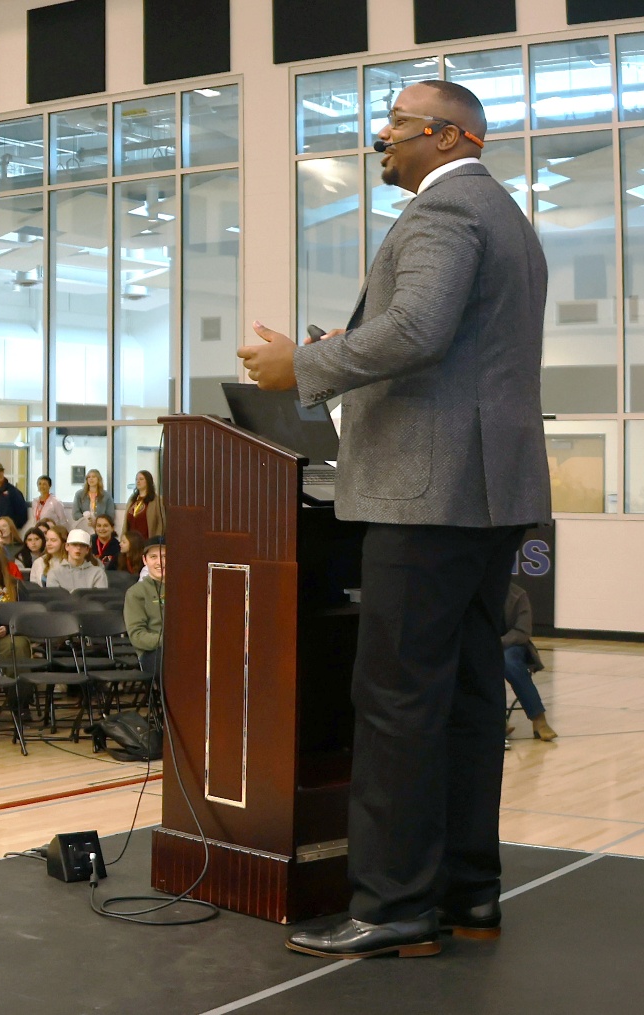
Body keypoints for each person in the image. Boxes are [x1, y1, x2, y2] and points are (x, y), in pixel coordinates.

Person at [239, 80, 549, 960]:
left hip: (427, 493)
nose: (382, 139)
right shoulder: (506, 217)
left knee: (396, 701)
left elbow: (416, 329)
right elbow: (450, 344)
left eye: (396, 127)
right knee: (466, 696)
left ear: (448, 136)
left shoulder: (443, 211)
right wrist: (336, 350)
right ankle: (466, 890)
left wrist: (303, 366)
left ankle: (392, 906)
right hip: (486, 493)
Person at [500, 584, 555, 742]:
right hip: (481, 645)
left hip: (512, 646)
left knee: (508, 663)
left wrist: (496, 643)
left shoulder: (518, 595)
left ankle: (539, 719)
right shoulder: (474, 593)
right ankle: (496, 720)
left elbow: (522, 631)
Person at [124, 540, 164, 680]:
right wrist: (168, 641)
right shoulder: (136, 593)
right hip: (152, 652)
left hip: (185, 649)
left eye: (165, 556)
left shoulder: (184, 588)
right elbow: (137, 635)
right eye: (153, 557)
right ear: (144, 560)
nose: (160, 562)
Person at [124, 470, 165, 556]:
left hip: (147, 540)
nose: (138, 481)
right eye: (136, 479)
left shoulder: (156, 500)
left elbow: (161, 523)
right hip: (131, 541)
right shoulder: (132, 499)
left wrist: (156, 540)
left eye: (141, 479)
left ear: (148, 481)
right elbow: (126, 522)